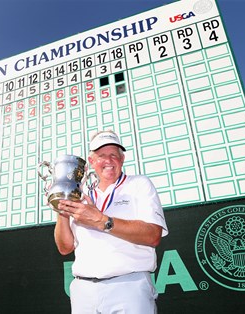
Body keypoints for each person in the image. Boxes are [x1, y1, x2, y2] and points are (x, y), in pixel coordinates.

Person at [54, 130, 168, 313]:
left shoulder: (139, 184)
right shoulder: (81, 195)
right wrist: (62, 212)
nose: (108, 160)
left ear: (122, 159)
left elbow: (153, 235)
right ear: (91, 162)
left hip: (128, 287)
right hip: (83, 291)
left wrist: (102, 221)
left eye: (114, 155)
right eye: (101, 156)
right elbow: (65, 248)